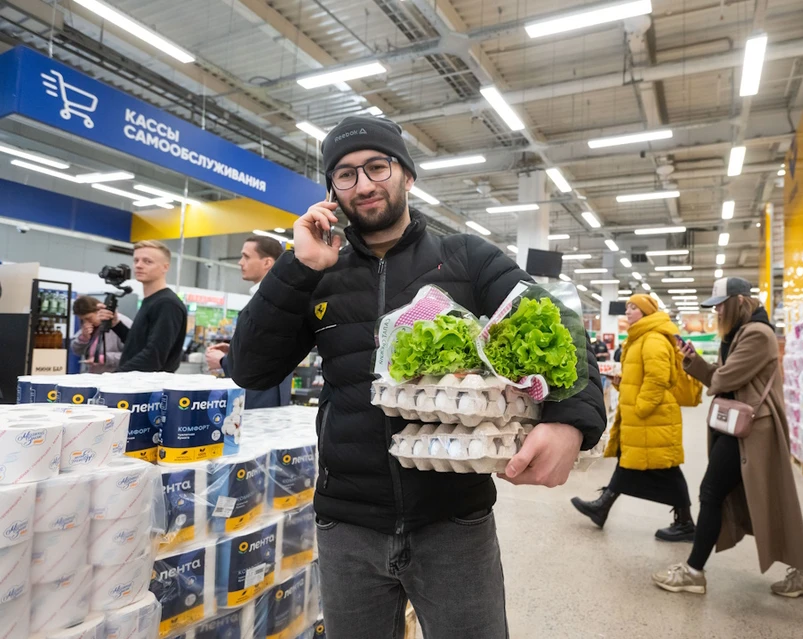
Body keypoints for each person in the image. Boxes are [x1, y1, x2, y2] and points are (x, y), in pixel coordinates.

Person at [227, 115, 606, 638]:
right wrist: (297, 266)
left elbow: (559, 328)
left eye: (376, 166)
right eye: (345, 174)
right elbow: (249, 367)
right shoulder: (318, 272)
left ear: (407, 175)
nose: (363, 184)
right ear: (332, 192)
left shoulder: (467, 260)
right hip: (348, 524)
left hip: (453, 520)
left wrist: (571, 421)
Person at [652, 277, 803, 598]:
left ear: (737, 302)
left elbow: (723, 378)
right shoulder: (740, 334)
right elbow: (722, 378)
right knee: (767, 501)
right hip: (738, 425)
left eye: (720, 305)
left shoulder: (757, 335)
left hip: (751, 431)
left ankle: (693, 571)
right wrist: (694, 362)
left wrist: (712, 369)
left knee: (712, 492)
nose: (717, 312)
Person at [571, 294, 695, 542]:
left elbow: (658, 378)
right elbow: (641, 378)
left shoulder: (652, 338)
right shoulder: (641, 337)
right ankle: (603, 506)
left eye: (633, 307)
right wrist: (621, 383)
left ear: (646, 311)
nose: (628, 311)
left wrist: (641, 407)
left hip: (653, 416)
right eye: (627, 307)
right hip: (647, 417)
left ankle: (685, 523)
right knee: (629, 462)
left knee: (666, 468)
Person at [205, 236, 292, 409]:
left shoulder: (272, 302)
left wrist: (223, 361)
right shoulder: (268, 298)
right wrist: (236, 350)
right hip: (262, 394)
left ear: (267, 262)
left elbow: (268, 360)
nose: (240, 262)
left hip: (262, 398)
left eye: (246, 256)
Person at [97, 240, 187, 373]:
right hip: (138, 385)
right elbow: (139, 345)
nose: (139, 265)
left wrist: (114, 378)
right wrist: (116, 324)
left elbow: (153, 358)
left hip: (149, 389)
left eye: (147, 261)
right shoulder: (151, 301)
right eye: (136, 260)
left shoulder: (166, 304)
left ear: (165, 267)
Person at [70, 295, 132, 373]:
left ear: (98, 310)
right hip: (94, 375)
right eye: (82, 320)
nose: (86, 322)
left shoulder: (122, 323)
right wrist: (83, 338)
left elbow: (132, 354)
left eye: (88, 318)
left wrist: (104, 358)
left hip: (116, 375)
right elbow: (76, 351)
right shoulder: (89, 325)